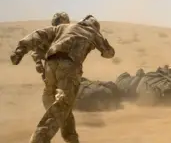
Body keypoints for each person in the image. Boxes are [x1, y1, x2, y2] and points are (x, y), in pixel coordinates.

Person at [10, 14, 115, 143]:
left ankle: (71, 139)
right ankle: (39, 139)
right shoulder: (93, 32)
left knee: (61, 105)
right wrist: (104, 45)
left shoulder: (63, 27)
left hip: (50, 65)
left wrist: (20, 50)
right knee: (63, 105)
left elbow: (37, 35)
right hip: (69, 67)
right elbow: (108, 54)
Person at [32, 12, 71, 85]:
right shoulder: (49, 35)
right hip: (52, 72)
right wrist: (38, 63)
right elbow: (36, 51)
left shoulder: (70, 35)